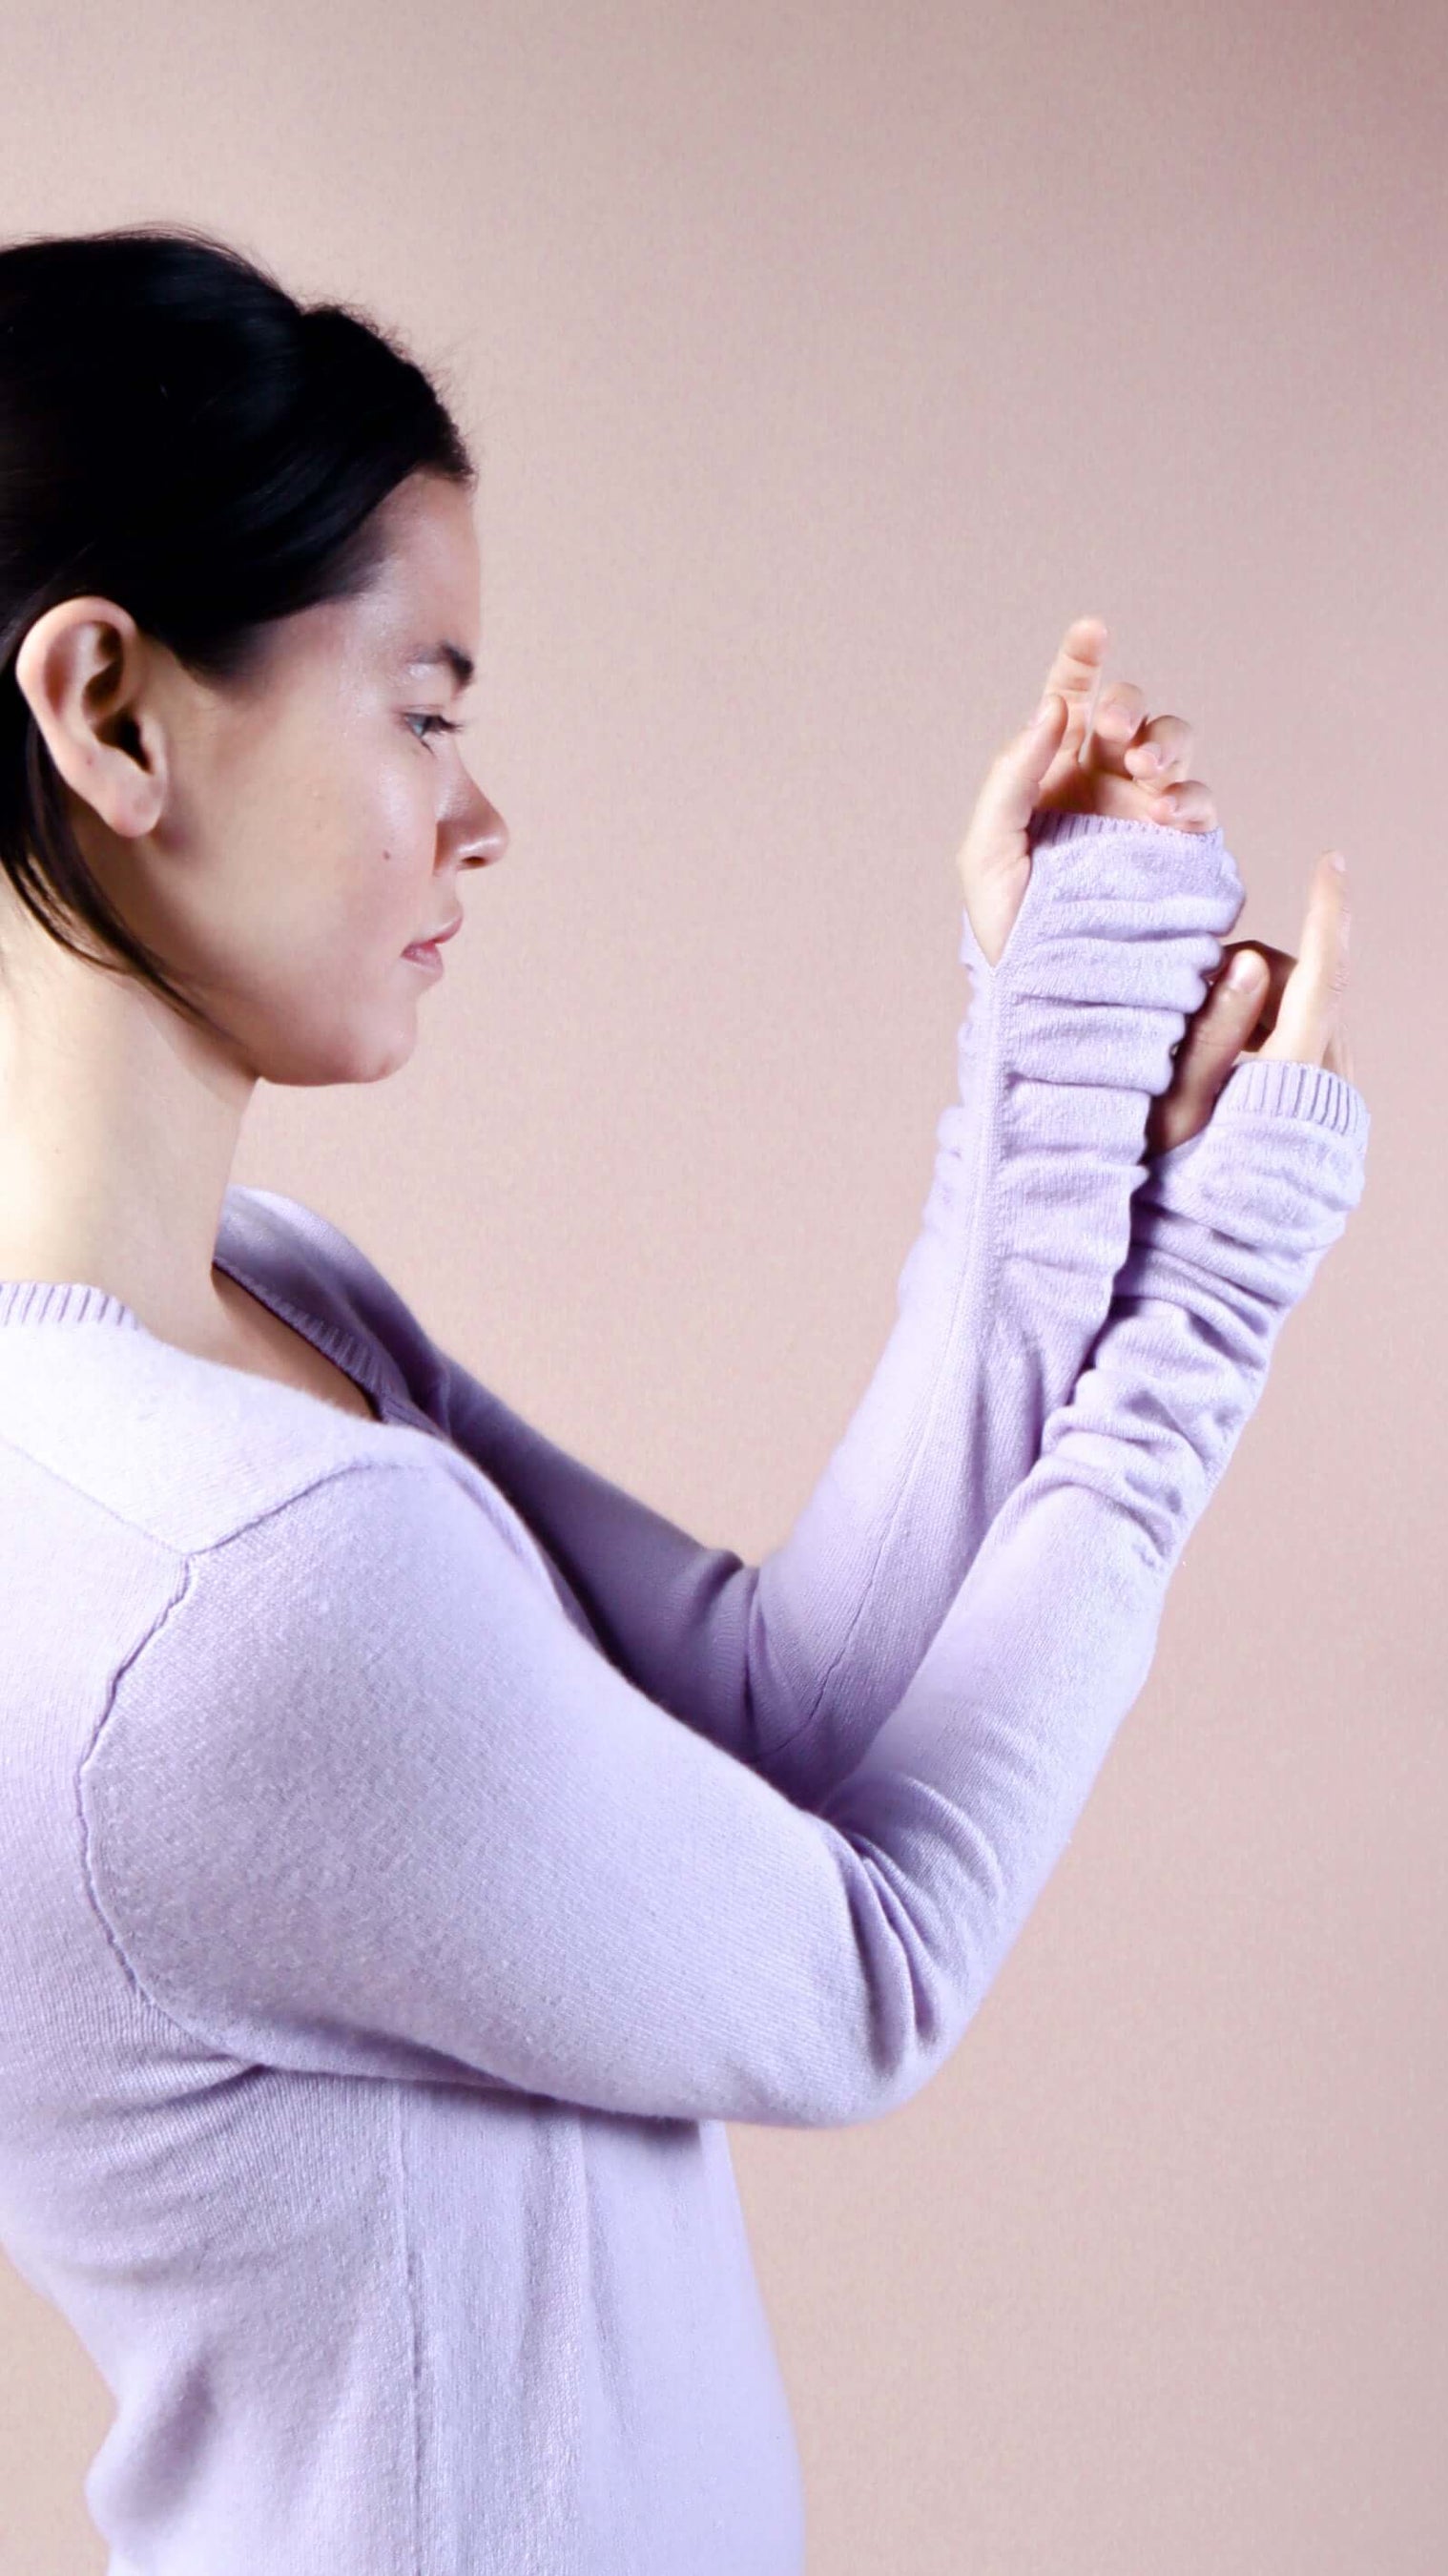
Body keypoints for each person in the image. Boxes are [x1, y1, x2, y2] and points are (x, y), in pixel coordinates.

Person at [0, 222, 1369, 2574]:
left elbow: (763, 1711)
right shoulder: (229, 1581)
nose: (477, 809)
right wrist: (1205, 1310)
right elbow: (864, 1968)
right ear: (110, 711)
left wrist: (1048, 1091)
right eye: (420, 705)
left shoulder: (256, 1321)